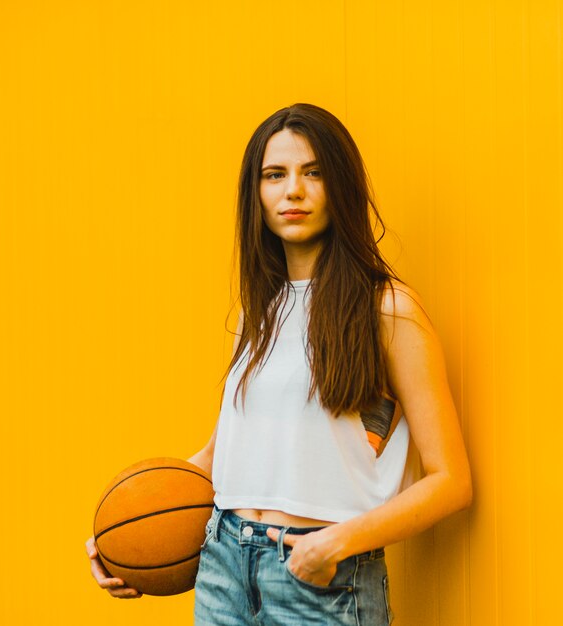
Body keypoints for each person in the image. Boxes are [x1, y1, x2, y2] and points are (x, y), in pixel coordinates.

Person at [85, 103, 472, 625]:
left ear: (342, 187)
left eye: (313, 172)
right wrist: (123, 528)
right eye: (275, 175)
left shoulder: (389, 309)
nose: (293, 190)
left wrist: (336, 543)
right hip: (222, 563)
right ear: (257, 193)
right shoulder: (259, 311)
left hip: (321, 577)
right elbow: (224, 455)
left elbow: (451, 480)